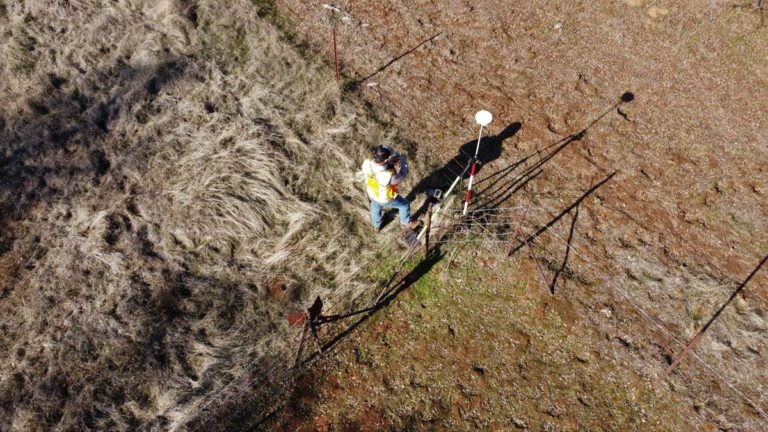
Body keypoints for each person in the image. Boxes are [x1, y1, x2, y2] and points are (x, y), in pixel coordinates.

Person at [361, 145, 421, 232]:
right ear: (385, 160)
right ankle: (406, 223)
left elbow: (379, 169)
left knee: (375, 206)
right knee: (404, 205)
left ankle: (376, 225)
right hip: (385, 198)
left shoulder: (366, 164)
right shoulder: (388, 176)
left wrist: (389, 163)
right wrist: (403, 160)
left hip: (372, 193)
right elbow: (403, 175)